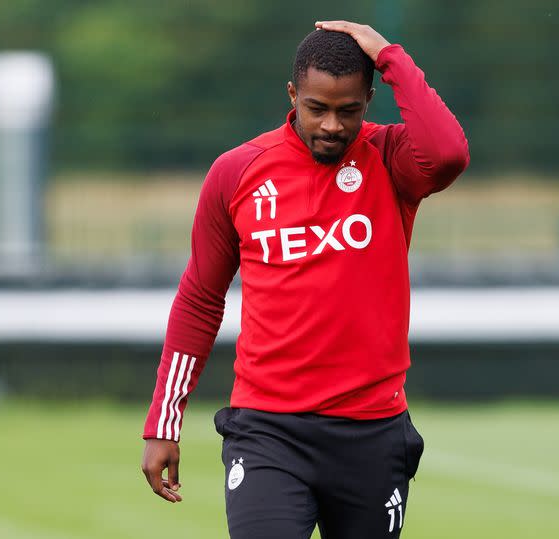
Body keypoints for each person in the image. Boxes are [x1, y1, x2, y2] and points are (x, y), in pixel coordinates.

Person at [141, 20, 469, 538]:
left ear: (369, 100)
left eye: (349, 110)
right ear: (293, 95)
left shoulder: (391, 159)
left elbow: (449, 152)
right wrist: (164, 422)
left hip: (372, 432)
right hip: (268, 431)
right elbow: (200, 301)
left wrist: (389, 55)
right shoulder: (237, 172)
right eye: (317, 108)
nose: (333, 126)